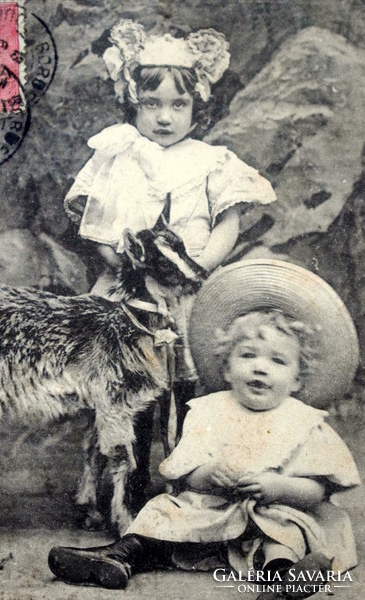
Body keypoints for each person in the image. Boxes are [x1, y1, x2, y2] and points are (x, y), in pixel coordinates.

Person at [48, 305, 360, 599]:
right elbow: (187, 472)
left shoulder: (304, 422)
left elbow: (317, 490)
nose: (260, 368)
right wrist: (208, 474)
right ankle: (120, 556)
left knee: (285, 534)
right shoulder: (208, 411)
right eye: (248, 355)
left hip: (275, 510)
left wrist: (278, 487)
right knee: (163, 511)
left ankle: (282, 579)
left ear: (297, 380)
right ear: (226, 368)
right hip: (211, 508)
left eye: (278, 361)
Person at [63, 20, 277, 439]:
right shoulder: (118, 151)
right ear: (133, 102)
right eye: (151, 103)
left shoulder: (210, 160)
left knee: (188, 387)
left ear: (196, 106)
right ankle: (132, 473)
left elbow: (227, 222)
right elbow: (97, 225)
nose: (164, 117)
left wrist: (196, 266)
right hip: (131, 290)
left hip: (187, 292)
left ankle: (184, 465)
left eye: (178, 105)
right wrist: (126, 266)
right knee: (130, 384)